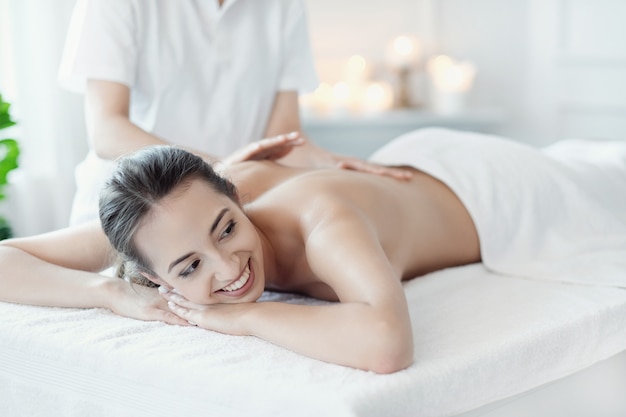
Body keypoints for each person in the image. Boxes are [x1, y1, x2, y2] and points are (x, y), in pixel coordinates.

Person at [1, 128, 624, 373]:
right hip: (414, 170)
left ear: (235, 193)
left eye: (226, 227)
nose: (228, 267)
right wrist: (109, 294)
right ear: (151, 271)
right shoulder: (163, 222)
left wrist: (243, 316)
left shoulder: (324, 219)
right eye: (188, 268)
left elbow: (386, 344)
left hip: (497, 192)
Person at [58, 0, 409, 225]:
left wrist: (333, 164)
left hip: (226, 206)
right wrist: (218, 169)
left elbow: (283, 138)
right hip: (128, 208)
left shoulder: (284, 7)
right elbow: (108, 130)